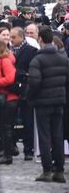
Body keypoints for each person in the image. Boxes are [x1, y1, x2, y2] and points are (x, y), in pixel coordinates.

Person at [28, 27, 69, 183]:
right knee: (58, 135)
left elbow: (34, 82)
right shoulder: (63, 58)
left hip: (43, 102)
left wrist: (30, 97)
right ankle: (59, 170)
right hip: (59, 101)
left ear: (40, 40)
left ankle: (47, 170)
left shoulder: (37, 60)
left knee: (45, 137)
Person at [10, 26, 39, 161]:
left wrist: (22, 74)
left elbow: (31, 70)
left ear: (21, 37)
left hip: (26, 89)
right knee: (11, 120)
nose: (11, 40)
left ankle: (28, 149)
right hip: (12, 89)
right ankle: (12, 145)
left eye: (13, 37)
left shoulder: (31, 50)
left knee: (27, 121)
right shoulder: (10, 50)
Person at [0, 39, 19, 165]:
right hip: (2, 98)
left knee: (5, 126)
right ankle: (8, 148)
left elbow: (10, 78)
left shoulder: (5, 61)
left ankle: (8, 153)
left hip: (8, 98)